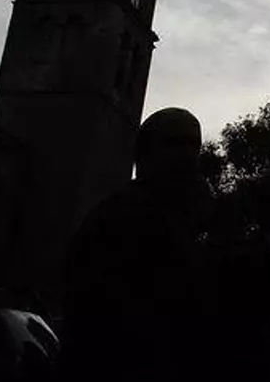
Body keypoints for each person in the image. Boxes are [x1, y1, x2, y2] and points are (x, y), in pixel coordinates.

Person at [61, 108, 215, 381]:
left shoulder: (177, 218)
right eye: (175, 144)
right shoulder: (123, 215)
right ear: (144, 152)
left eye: (193, 145)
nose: (187, 155)